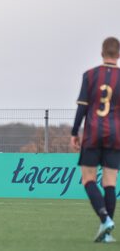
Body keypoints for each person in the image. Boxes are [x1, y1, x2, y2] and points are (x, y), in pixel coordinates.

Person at [71, 37, 120, 243]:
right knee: (109, 182)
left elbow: (82, 107)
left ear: (102, 53)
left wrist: (74, 132)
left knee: (88, 178)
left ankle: (105, 219)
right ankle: (106, 231)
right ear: (118, 55)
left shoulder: (90, 75)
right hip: (115, 135)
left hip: (92, 133)